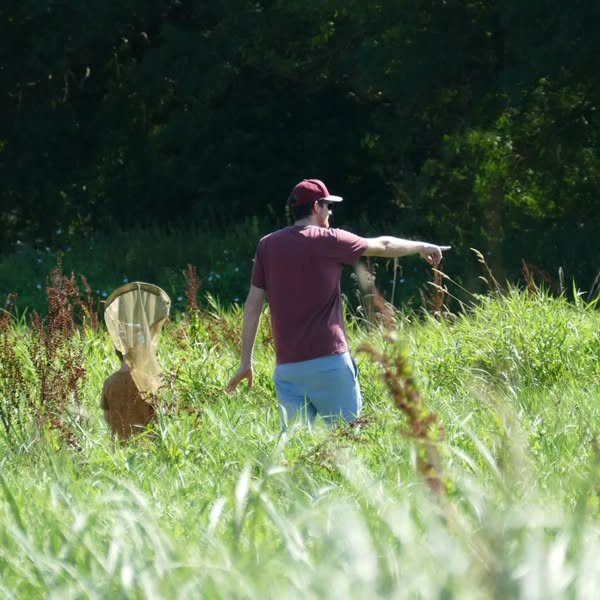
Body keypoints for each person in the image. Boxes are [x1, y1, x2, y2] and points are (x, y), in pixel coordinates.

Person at [226, 178, 450, 427]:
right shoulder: (330, 240)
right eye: (328, 206)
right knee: (348, 439)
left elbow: (253, 306)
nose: (330, 212)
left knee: (293, 446)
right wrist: (421, 246)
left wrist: (246, 361)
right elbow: (384, 245)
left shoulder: (267, 245)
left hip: (288, 370)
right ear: (316, 207)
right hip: (330, 363)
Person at [101, 348, 156, 441]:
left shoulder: (109, 383)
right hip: (144, 445)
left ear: (117, 352)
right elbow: (157, 418)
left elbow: (107, 417)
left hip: (118, 446)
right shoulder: (148, 381)